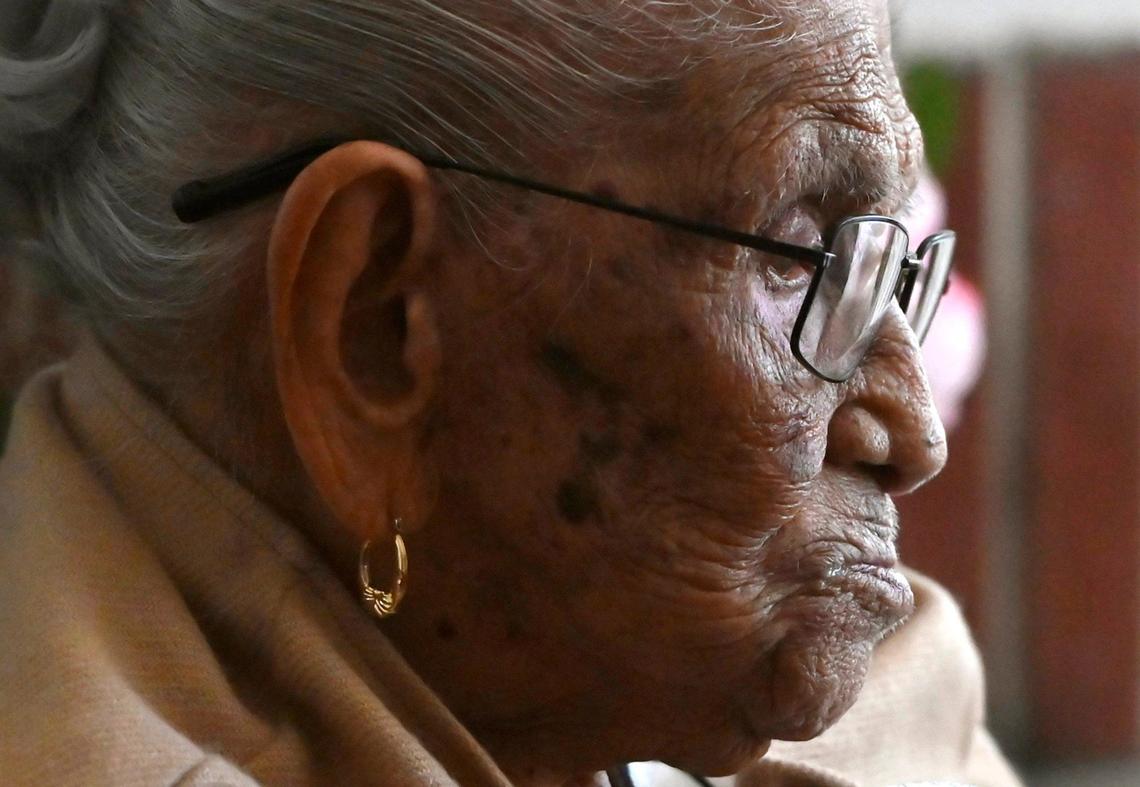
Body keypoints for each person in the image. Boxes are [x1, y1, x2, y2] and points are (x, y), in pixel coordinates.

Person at [0, 2, 1019, 785]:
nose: (914, 431)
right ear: (377, 328)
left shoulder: (887, 714)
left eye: (886, 268)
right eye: (799, 257)